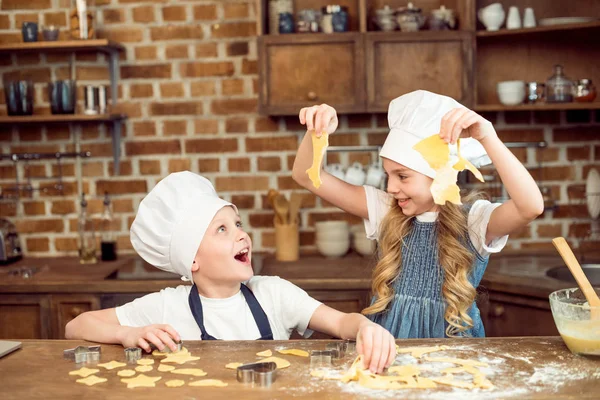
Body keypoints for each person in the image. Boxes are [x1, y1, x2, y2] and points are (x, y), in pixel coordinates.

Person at [66, 171, 396, 373]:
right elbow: (75, 326)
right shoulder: (167, 307)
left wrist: (365, 326)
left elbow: (340, 322)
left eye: (237, 224)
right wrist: (128, 334)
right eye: (221, 230)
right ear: (191, 260)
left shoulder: (272, 293)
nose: (241, 234)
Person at [292, 90, 544, 338]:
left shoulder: (474, 222)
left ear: (438, 173)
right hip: (387, 345)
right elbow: (306, 176)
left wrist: (487, 137)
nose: (390, 187)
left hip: (454, 357)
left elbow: (530, 206)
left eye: (402, 176)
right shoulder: (385, 209)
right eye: (388, 175)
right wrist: (316, 132)